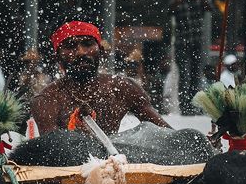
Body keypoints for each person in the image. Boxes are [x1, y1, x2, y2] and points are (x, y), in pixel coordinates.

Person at [31, 21, 170, 135]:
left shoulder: (123, 88)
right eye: (70, 46)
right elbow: (52, 151)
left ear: (101, 51)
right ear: (57, 58)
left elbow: (166, 135)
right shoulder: (47, 100)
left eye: (87, 44)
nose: (81, 52)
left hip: (115, 159)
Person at [169, 0, 211, 114]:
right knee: (183, 74)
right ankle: (184, 106)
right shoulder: (178, 1)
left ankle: (193, 105)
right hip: (182, 43)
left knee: (195, 74)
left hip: (196, 42)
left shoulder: (198, 0)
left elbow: (210, 8)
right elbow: (169, 11)